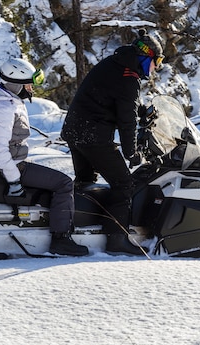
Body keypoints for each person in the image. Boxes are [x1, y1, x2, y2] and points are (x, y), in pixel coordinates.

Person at [61, 29, 165, 256]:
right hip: (93, 135)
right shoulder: (129, 77)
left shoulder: (116, 63)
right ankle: (116, 240)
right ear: (146, 57)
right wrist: (132, 152)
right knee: (124, 184)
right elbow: (126, 121)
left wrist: (140, 110)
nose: (157, 67)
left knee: (86, 180)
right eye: (157, 61)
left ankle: (76, 228)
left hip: (76, 130)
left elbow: (112, 99)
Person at [0, 58, 89, 257]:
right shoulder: (5, 108)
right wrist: (14, 180)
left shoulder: (3, 100)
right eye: (29, 84)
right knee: (64, 183)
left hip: (3, 163)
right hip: (9, 167)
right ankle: (61, 239)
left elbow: (11, 141)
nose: (32, 88)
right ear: (16, 85)